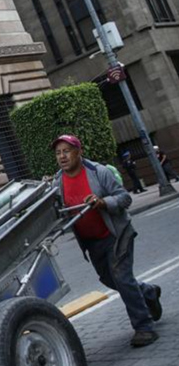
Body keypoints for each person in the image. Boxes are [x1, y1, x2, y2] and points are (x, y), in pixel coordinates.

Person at [53, 135, 162, 347]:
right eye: (58, 153)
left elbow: (124, 198)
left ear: (78, 152)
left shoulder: (98, 172)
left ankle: (144, 327)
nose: (62, 156)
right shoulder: (58, 182)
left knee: (122, 278)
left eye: (66, 151)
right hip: (91, 242)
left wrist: (102, 202)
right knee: (108, 279)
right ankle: (148, 292)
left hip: (116, 234)